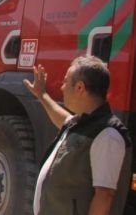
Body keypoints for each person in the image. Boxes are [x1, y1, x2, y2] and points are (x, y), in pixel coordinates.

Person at [24, 57, 131, 215]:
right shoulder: (82, 123)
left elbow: (104, 196)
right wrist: (42, 95)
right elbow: (62, 119)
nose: (62, 87)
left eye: (66, 82)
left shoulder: (108, 135)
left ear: (80, 87)